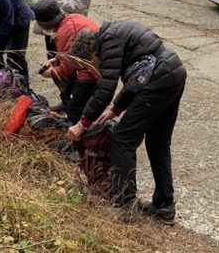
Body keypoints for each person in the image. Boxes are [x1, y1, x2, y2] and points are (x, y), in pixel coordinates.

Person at [66, 21, 187, 225]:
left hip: (160, 76)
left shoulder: (108, 43)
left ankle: (124, 206)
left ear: (92, 52)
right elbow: (138, 76)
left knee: (122, 138)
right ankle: (164, 205)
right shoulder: (111, 36)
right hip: (172, 72)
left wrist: (82, 124)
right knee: (157, 142)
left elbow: (105, 89)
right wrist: (116, 109)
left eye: (89, 64)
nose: (93, 70)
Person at [34, 0, 100, 120]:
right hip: (90, 61)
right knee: (71, 91)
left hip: (89, 70)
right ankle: (67, 104)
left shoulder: (63, 32)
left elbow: (68, 66)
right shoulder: (72, 18)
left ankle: (76, 123)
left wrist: (52, 72)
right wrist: (56, 59)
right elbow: (69, 51)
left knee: (76, 109)